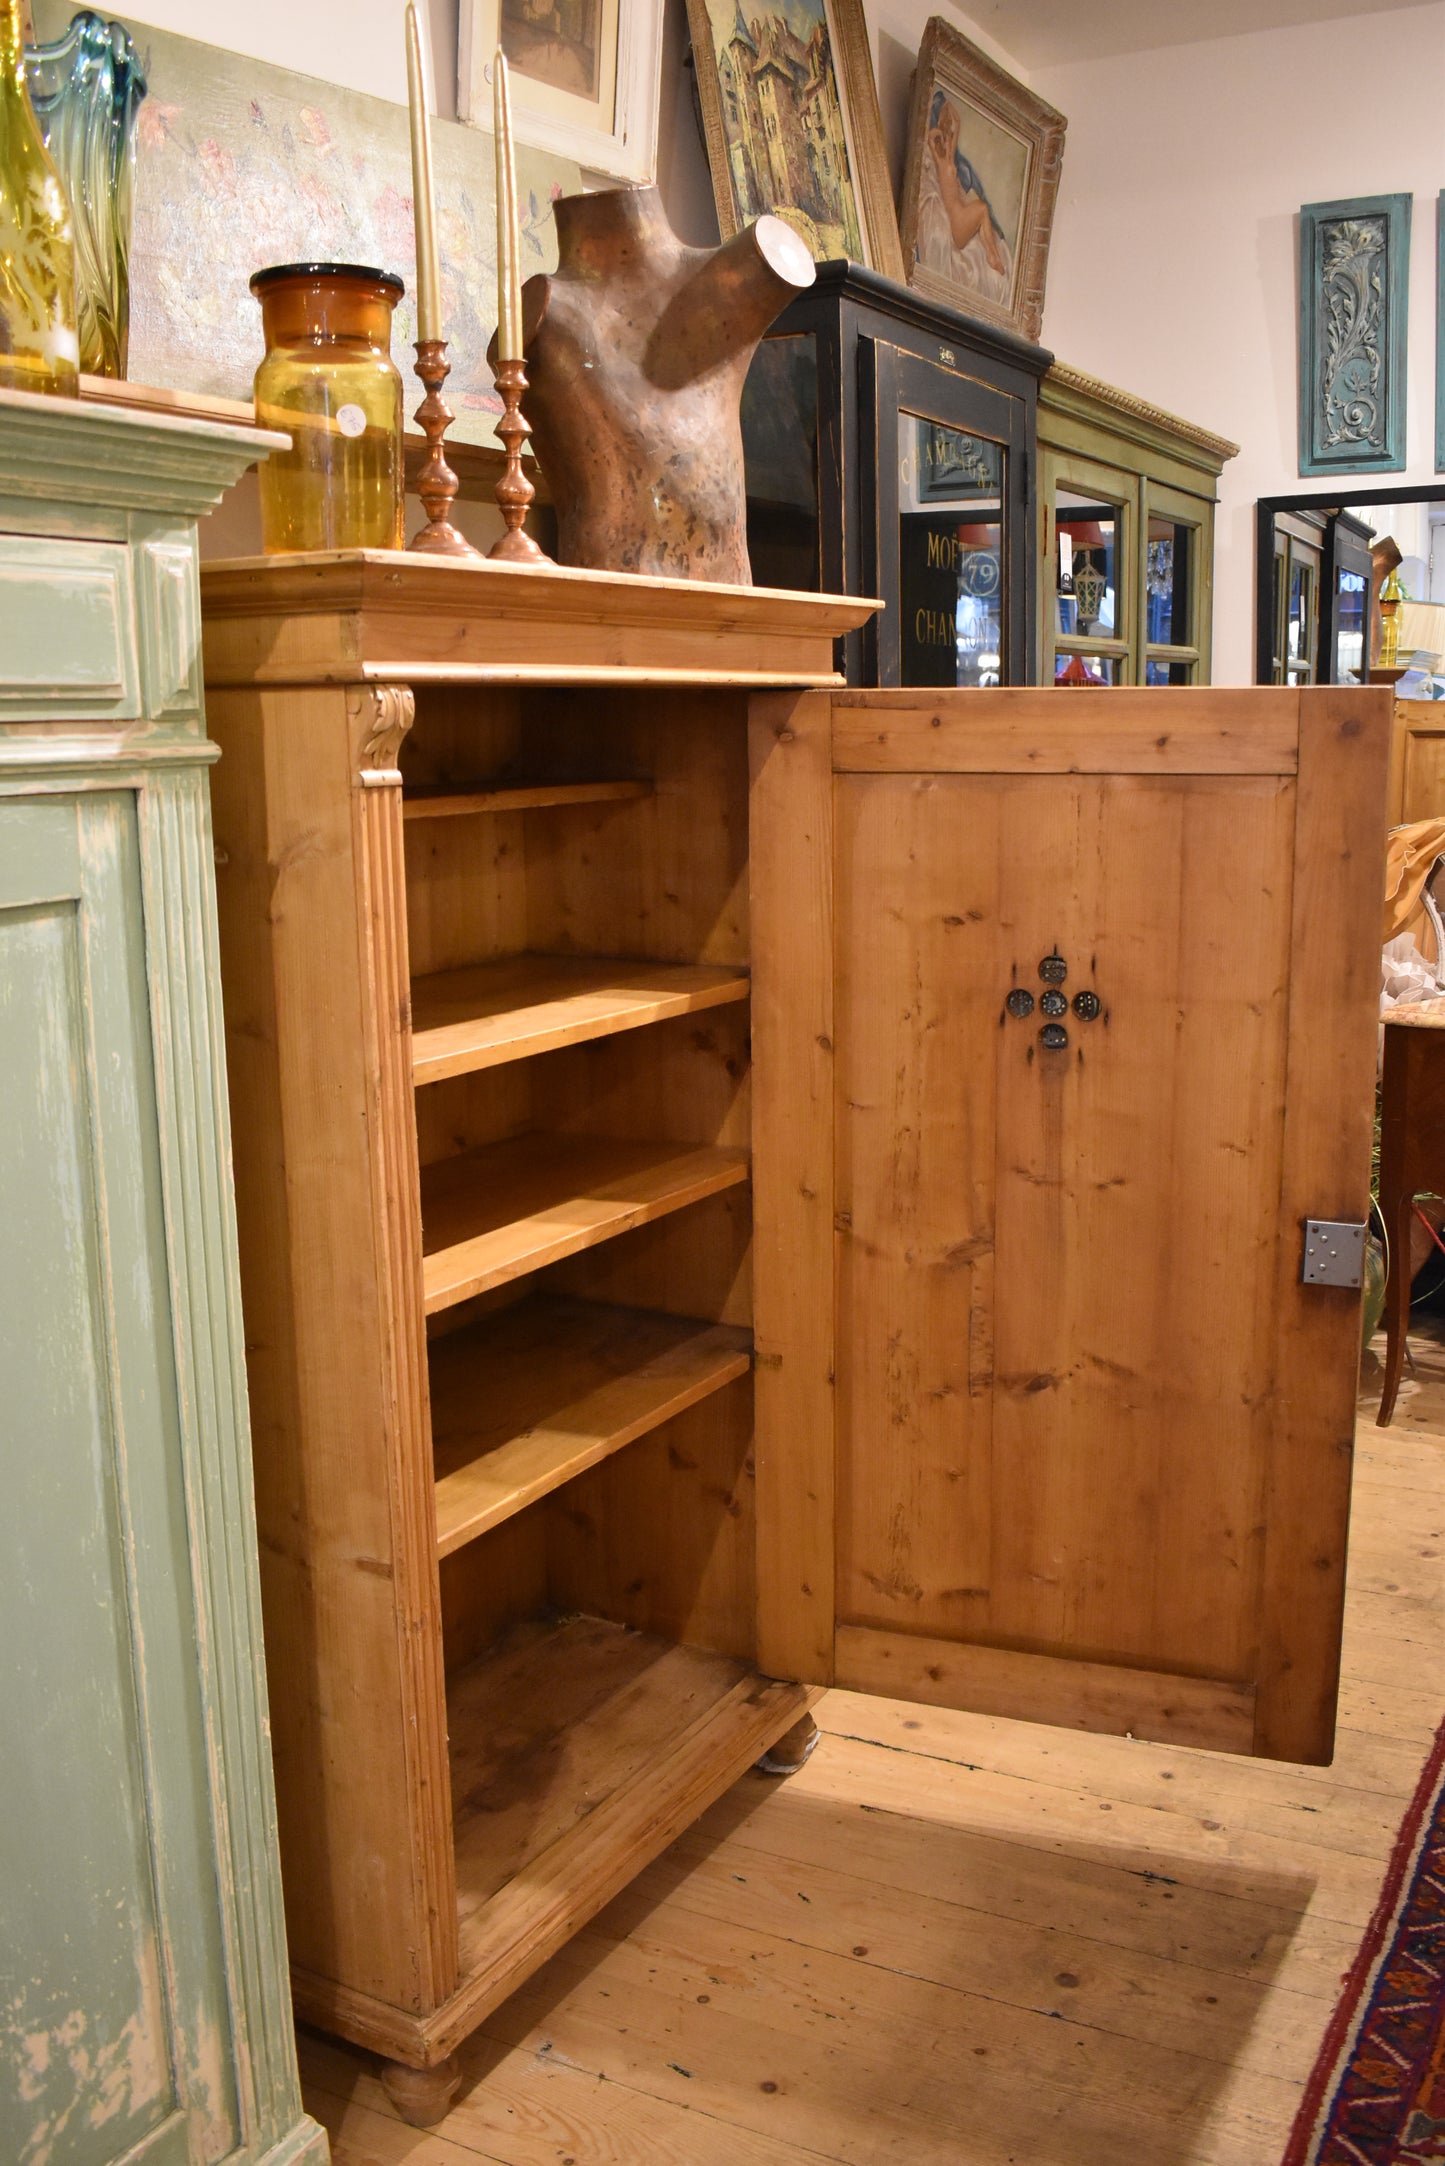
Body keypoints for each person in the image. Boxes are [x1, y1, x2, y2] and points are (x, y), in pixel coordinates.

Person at [914, 90, 1012, 307]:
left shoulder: (948, 160)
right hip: (957, 222)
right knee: (982, 209)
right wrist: (942, 120)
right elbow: (931, 137)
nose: (946, 140)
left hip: (959, 218)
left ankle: (992, 254)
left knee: (982, 212)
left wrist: (951, 114)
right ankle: (992, 255)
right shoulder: (941, 162)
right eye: (942, 136)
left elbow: (954, 131)